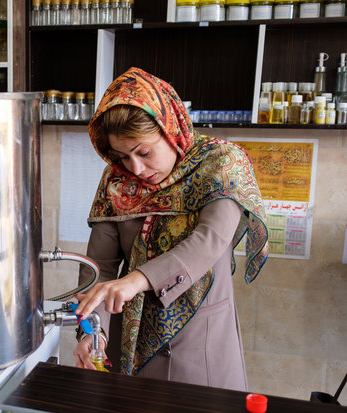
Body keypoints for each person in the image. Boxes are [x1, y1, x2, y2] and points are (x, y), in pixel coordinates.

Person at [72, 67, 269, 391]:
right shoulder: (116, 180)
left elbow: (209, 240)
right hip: (128, 346)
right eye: (122, 156)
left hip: (200, 344)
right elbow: (100, 268)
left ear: (170, 128)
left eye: (144, 152)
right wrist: (92, 333)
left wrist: (136, 280)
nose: (135, 168)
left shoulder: (220, 163)